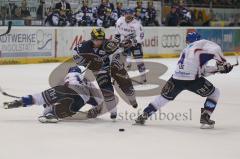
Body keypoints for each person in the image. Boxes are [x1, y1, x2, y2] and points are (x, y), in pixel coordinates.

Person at [135, 32, 234, 129]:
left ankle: (144, 114)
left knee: (163, 98)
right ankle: (205, 115)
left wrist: (217, 69)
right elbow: (215, 50)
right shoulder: (202, 43)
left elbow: (199, 69)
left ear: (188, 41)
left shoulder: (185, 50)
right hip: (192, 80)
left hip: (176, 78)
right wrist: (223, 63)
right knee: (215, 93)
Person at [72, 28, 138, 119]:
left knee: (125, 82)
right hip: (99, 70)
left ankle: (133, 100)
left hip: (112, 65)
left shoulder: (108, 44)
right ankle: (113, 111)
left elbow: (120, 52)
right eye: (96, 39)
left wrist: (121, 49)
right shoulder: (83, 46)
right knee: (106, 89)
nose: (99, 42)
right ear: (92, 38)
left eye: (101, 39)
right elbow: (75, 53)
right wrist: (83, 62)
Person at [3, 65, 105, 123]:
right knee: (63, 106)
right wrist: (94, 111)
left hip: (67, 90)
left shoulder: (69, 75)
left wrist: (47, 102)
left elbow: (50, 95)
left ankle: (19, 102)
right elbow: (100, 101)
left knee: (40, 99)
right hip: (80, 99)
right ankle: (52, 113)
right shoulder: (90, 86)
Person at [115, 8, 146, 83]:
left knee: (139, 61)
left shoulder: (137, 24)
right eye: (127, 14)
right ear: (124, 14)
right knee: (120, 60)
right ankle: (119, 76)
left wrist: (132, 41)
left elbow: (141, 37)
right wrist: (117, 41)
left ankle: (143, 76)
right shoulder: (119, 21)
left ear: (133, 15)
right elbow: (117, 33)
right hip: (124, 43)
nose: (128, 16)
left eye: (130, 14)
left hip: (135, 44)